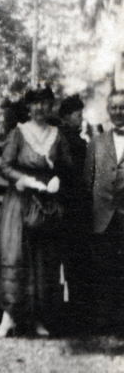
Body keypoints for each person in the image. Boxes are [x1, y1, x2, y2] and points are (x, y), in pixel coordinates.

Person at [0, 86, 71, 337]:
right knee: (16, 255)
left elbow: (68, 167)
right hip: (20, 202)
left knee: (42, 258)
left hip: (46, 204)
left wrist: (57, 177)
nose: (41, 108)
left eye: (46, 104)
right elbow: (5, 166)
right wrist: (25, 179)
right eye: (35, 103)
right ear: (28, 107)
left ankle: (37, 319)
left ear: (51, 107)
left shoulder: (58, 135)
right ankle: (8, 319)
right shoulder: (19, 133)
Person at [84, 89, 124, 334]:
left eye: (123, 107)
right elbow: (88, 182)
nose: (119, 112)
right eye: (115, 107)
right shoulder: (96, 143)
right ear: (108, 111)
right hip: (103, 218)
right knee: (103, 269)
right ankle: (103, 320)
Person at [57, 94, 92, 331]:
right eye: (78, 115)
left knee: (72, 260)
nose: (81, 119)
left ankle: (72, 311)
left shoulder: (73, 139)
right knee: (73, 259)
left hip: (73, 206)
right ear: (67, 117)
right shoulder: (68, 141)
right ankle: (74, 314)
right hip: (71, 207)